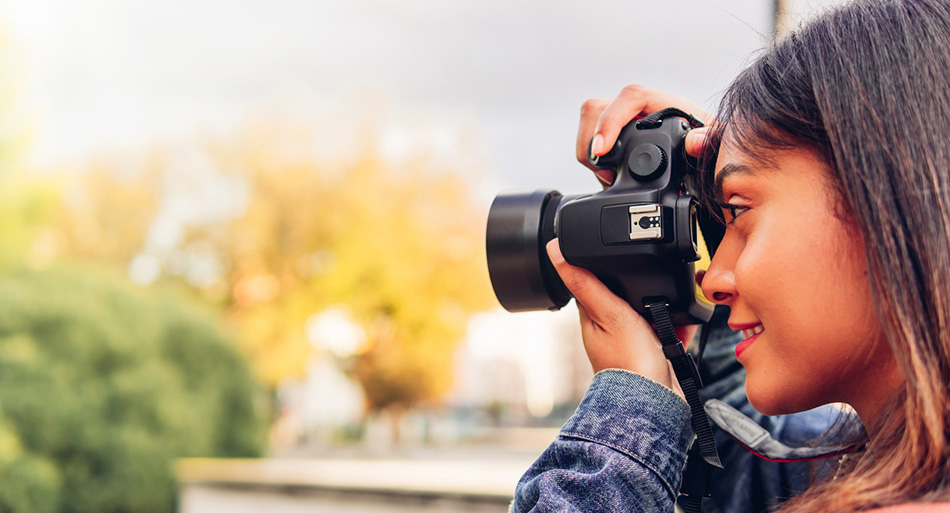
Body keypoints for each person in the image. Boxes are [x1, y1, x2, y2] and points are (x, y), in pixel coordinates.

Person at [511, 0, 950, 511]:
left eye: (736, 212)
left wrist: (628, 416)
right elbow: (751, 462)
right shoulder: (878, 465)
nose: (711, 279)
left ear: (889, 194)